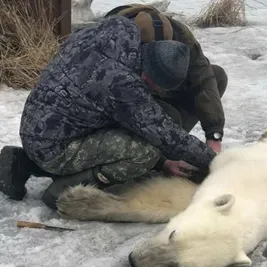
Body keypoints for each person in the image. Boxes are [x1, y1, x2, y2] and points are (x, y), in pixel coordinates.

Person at [0, 15, 222, 209]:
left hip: (39, 124)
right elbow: (169, 138)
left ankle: (24, 163)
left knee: (133, 129)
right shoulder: (122, 85)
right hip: (55, 148)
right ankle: (66, 189)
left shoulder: (118, 28)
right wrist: (219, 164)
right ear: (148, 77)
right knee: (145, 152)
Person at [104, 4, 228, 154]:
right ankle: (155, 153)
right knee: (169, 116)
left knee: (217, 75)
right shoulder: (116, 44)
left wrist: (214, 134)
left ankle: (174, 141)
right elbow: (121, 105)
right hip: (127, 105)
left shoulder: (180, 34)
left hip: (161, 87)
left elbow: (203, 78)